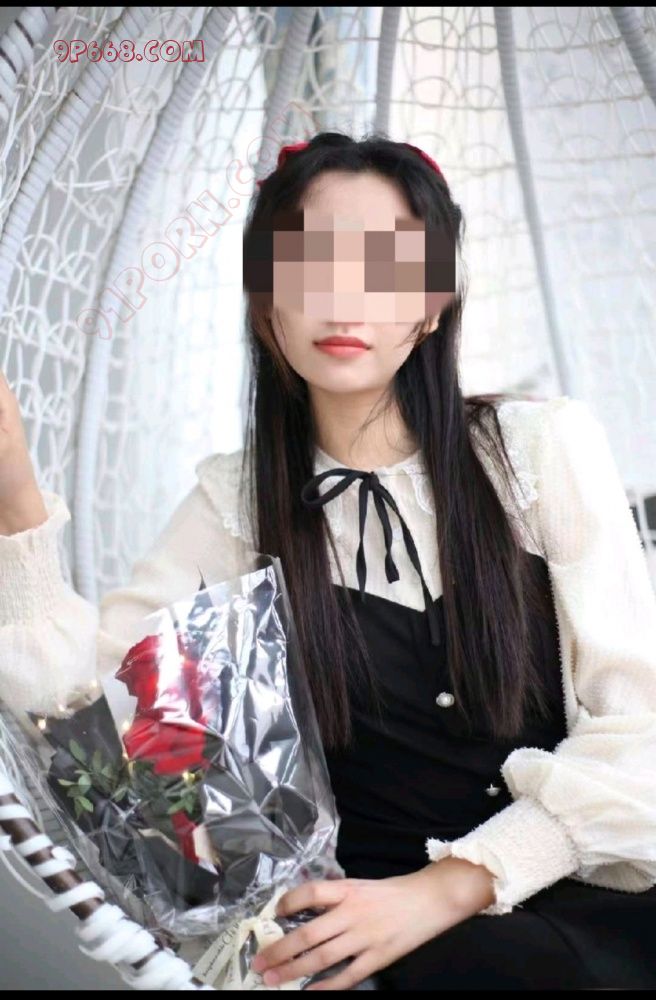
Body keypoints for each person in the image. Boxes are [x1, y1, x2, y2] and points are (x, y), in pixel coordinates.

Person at [1, 131, 656, 991]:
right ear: (265, 303)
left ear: (434, 304)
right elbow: (95, 742)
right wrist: (18, 502)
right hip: (360, 947)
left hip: (587, 906)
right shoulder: (234, 506)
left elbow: (641, 732)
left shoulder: (537, 451)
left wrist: (446, 889)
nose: (345, 300)